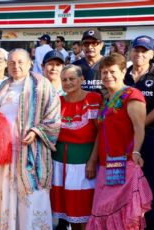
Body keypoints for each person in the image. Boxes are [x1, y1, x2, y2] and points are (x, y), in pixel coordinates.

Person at [0, 48, 61, 229]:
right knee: (9, 195)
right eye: (11, 62)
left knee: (31, 196)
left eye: (20, 62)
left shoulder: (42, 85)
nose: (16, 66)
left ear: (30, 64)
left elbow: (54, 118)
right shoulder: (4, 86)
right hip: (7, 152)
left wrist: (36, 131)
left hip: (31, 152)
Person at [86, 53, 152, 229]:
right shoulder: (105, 100)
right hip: (105, 165)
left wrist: (136, 151)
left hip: (125, 163)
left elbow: (139, 127)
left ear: (123, 72)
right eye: (104, 72)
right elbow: (101, 132)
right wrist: (92, 160)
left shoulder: (132, 94)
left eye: (112, 71)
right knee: (103, 211)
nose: (108, 76)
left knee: (123, 214)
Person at [50, 65, 102, 230]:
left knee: (84, 207)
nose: (68, 82)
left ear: (81, 80)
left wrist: (93, 161)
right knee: (70, 210)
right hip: (59, 164)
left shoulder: (93, 99)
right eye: (64, 79)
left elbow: (101, 132)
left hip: (83, 162)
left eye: (72, 79)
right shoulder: (58, 102)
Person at [124, 35, 154, 228]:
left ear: (151, 54)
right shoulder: (122, 74)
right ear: (130, 51)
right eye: (136, 50)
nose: (139, 55)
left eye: (144, 51)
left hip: (149, 136)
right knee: (126, 183)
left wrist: (139, 126)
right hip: (123, 138)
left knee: (149, 182)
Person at [73, 30, 104, 96]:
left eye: (94, 43)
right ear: (82, 46)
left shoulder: (109, 64)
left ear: (101, 45)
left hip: (104, 105)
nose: (90, 47)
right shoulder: (74, 66)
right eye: (86, 44)